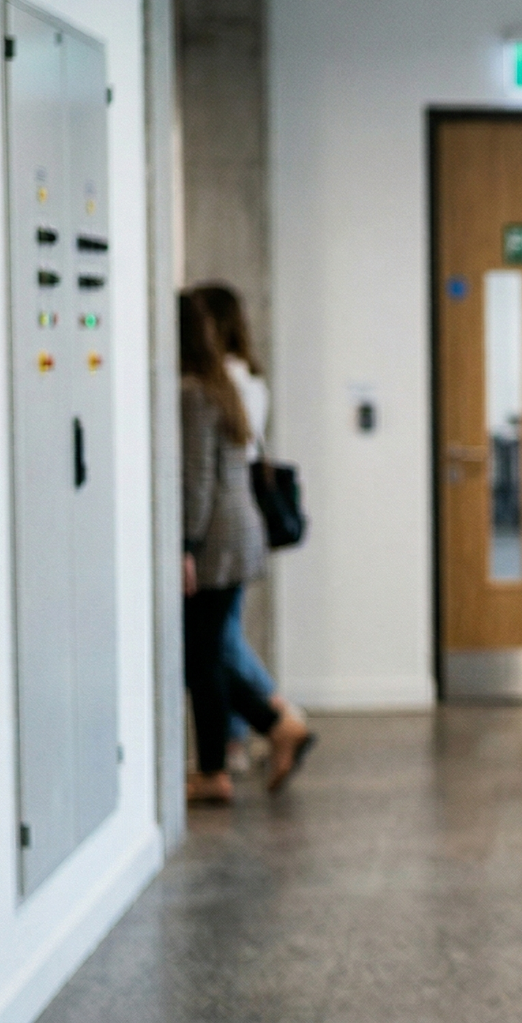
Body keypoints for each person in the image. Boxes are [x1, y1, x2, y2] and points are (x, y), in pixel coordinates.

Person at [181, 294, 313, 804]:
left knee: (203, 653)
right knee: (207, 651)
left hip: (215, 536)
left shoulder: (196, 392)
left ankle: (238, 750)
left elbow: (196, 480)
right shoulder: (232, 386)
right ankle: (265, 731)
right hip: (238, 530)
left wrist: (186, 545)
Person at [189, 283, 285, 771]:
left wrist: (188, 541)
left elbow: (203, 471)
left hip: (224, 520)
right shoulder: (249, 377)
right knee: (222, 636)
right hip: (241, 514)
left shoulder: (216, 384)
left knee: (216, 643)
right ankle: (239, 736)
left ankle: (277, 719)